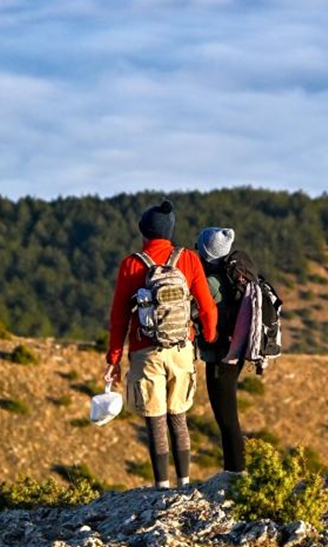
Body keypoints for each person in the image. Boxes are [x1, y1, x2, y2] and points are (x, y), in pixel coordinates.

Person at [104, 199, 217, 489]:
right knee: (178, 416)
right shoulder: (189, 259)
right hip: (181, 349)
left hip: (146, 350)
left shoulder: (131, 264)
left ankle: (161, 487)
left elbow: (118, 317)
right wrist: (210, 336)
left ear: (144, 232)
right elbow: (206, 307)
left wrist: (113, 360)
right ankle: (185, 482)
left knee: (155, 419)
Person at [195, 226, 258, 474]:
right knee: (228, 417)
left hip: (221, 356)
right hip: (236, 351)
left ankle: (235, 473)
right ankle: (235, 470)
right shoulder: (235, 276)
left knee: (227, 419)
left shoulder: (211, 283)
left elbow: (196, 312)